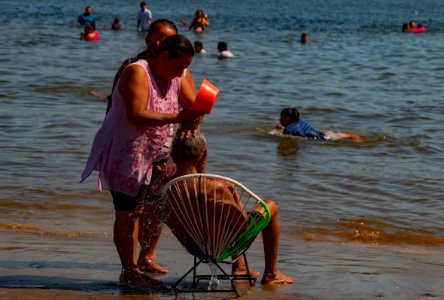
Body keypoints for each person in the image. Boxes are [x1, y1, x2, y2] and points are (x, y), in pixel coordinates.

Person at [80, 34, 204, 286]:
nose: (181, 72)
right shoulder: (137, 72)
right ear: (163, 55)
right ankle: (128, 271)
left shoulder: (174, 75)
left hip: (157, 154)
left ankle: (141, 263)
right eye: (178, 66)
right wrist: (177, 118)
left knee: (151, 210)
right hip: (127, 155)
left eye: (186, 68)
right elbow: (136, 115)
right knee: (127, 213)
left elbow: (194, 108)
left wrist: (196, 116)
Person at [156, 135, 294, 285]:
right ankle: (271, 273)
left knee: (215, 216)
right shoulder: (217, 188)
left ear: (173, 155)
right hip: (225, 247)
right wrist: (234, 195)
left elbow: (166, 219)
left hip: (195, 248)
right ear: (203, 154)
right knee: (270, 205)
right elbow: (242, 227)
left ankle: (240, 267)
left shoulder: (166, 188)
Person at [276, 107, 362, 142]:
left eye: (281, 117)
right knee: (350, 137)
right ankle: (357, 138)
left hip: (322, 139)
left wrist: (280, 129)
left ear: (287, 118)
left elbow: (291, 132)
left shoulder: (288, 130)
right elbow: (297, 129)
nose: (279, 119)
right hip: (325, 134)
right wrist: (282, 126)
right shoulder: (300, 120)